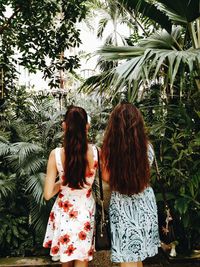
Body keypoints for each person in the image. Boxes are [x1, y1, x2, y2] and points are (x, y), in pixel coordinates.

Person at [101, 103, 160, 267]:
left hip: (122, 207)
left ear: (114, 125)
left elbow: (106, 177)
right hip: (145, 205)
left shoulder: (108, 150)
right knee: (137, 255)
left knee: (127, 258)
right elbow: (145, 175)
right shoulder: (148, 148)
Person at [43, 106, 98, 267]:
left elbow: (47, 194)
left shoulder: (56, 155)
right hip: (85, 213)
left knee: (65, 262)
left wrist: (64, 182)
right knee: (82, 260)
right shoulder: (95, 153)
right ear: (86, 127)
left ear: (64, 125)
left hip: (64, 213)